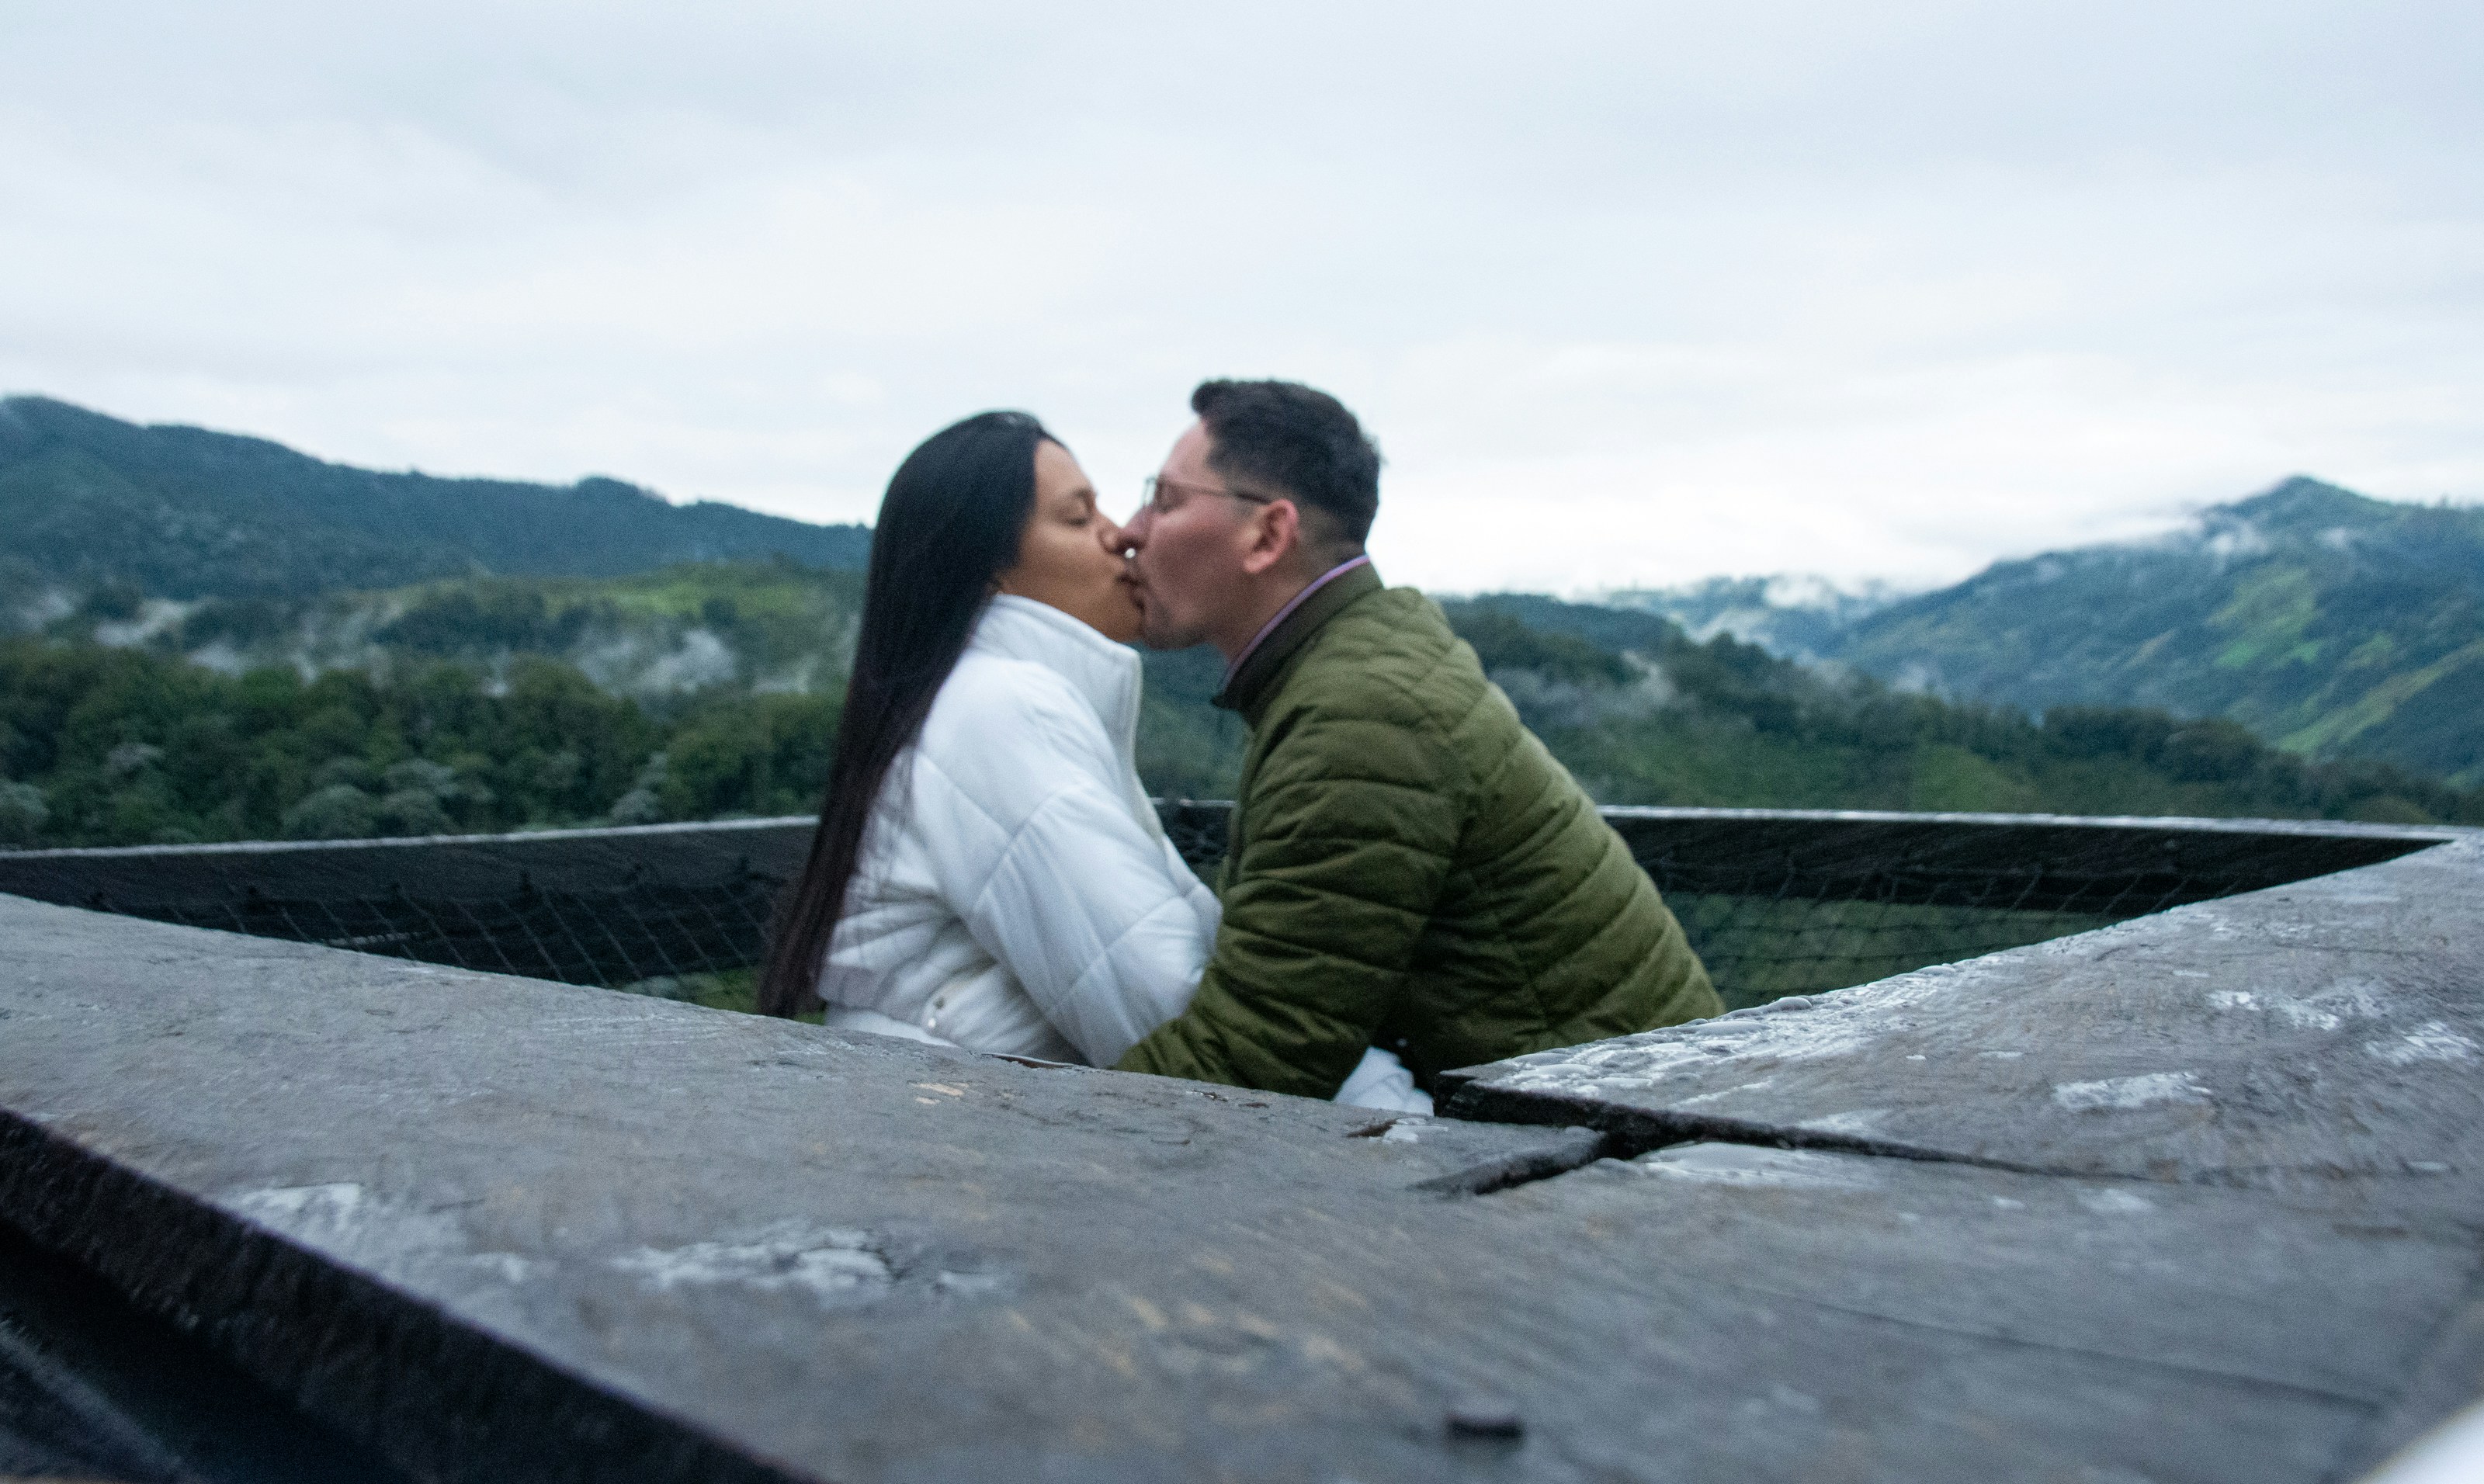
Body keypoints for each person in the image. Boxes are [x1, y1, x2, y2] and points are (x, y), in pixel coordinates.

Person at [757, 411, 1425, 1111]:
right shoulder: (1001, 712)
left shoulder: (993, 700)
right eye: (1079, 518)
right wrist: (1403, 1115)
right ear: (988, 572)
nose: (1122, 535)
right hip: (975, 1148)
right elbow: (1164, 1002)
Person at [1111, 380, 1721, 1101]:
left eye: (1165, 498)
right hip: (1640, 1109)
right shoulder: (1363, 664)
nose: (1130, 529)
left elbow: (1256, 1058)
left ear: (1268, 535)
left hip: (1626, 1151)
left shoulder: (1358, 719)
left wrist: (1013, 1130)